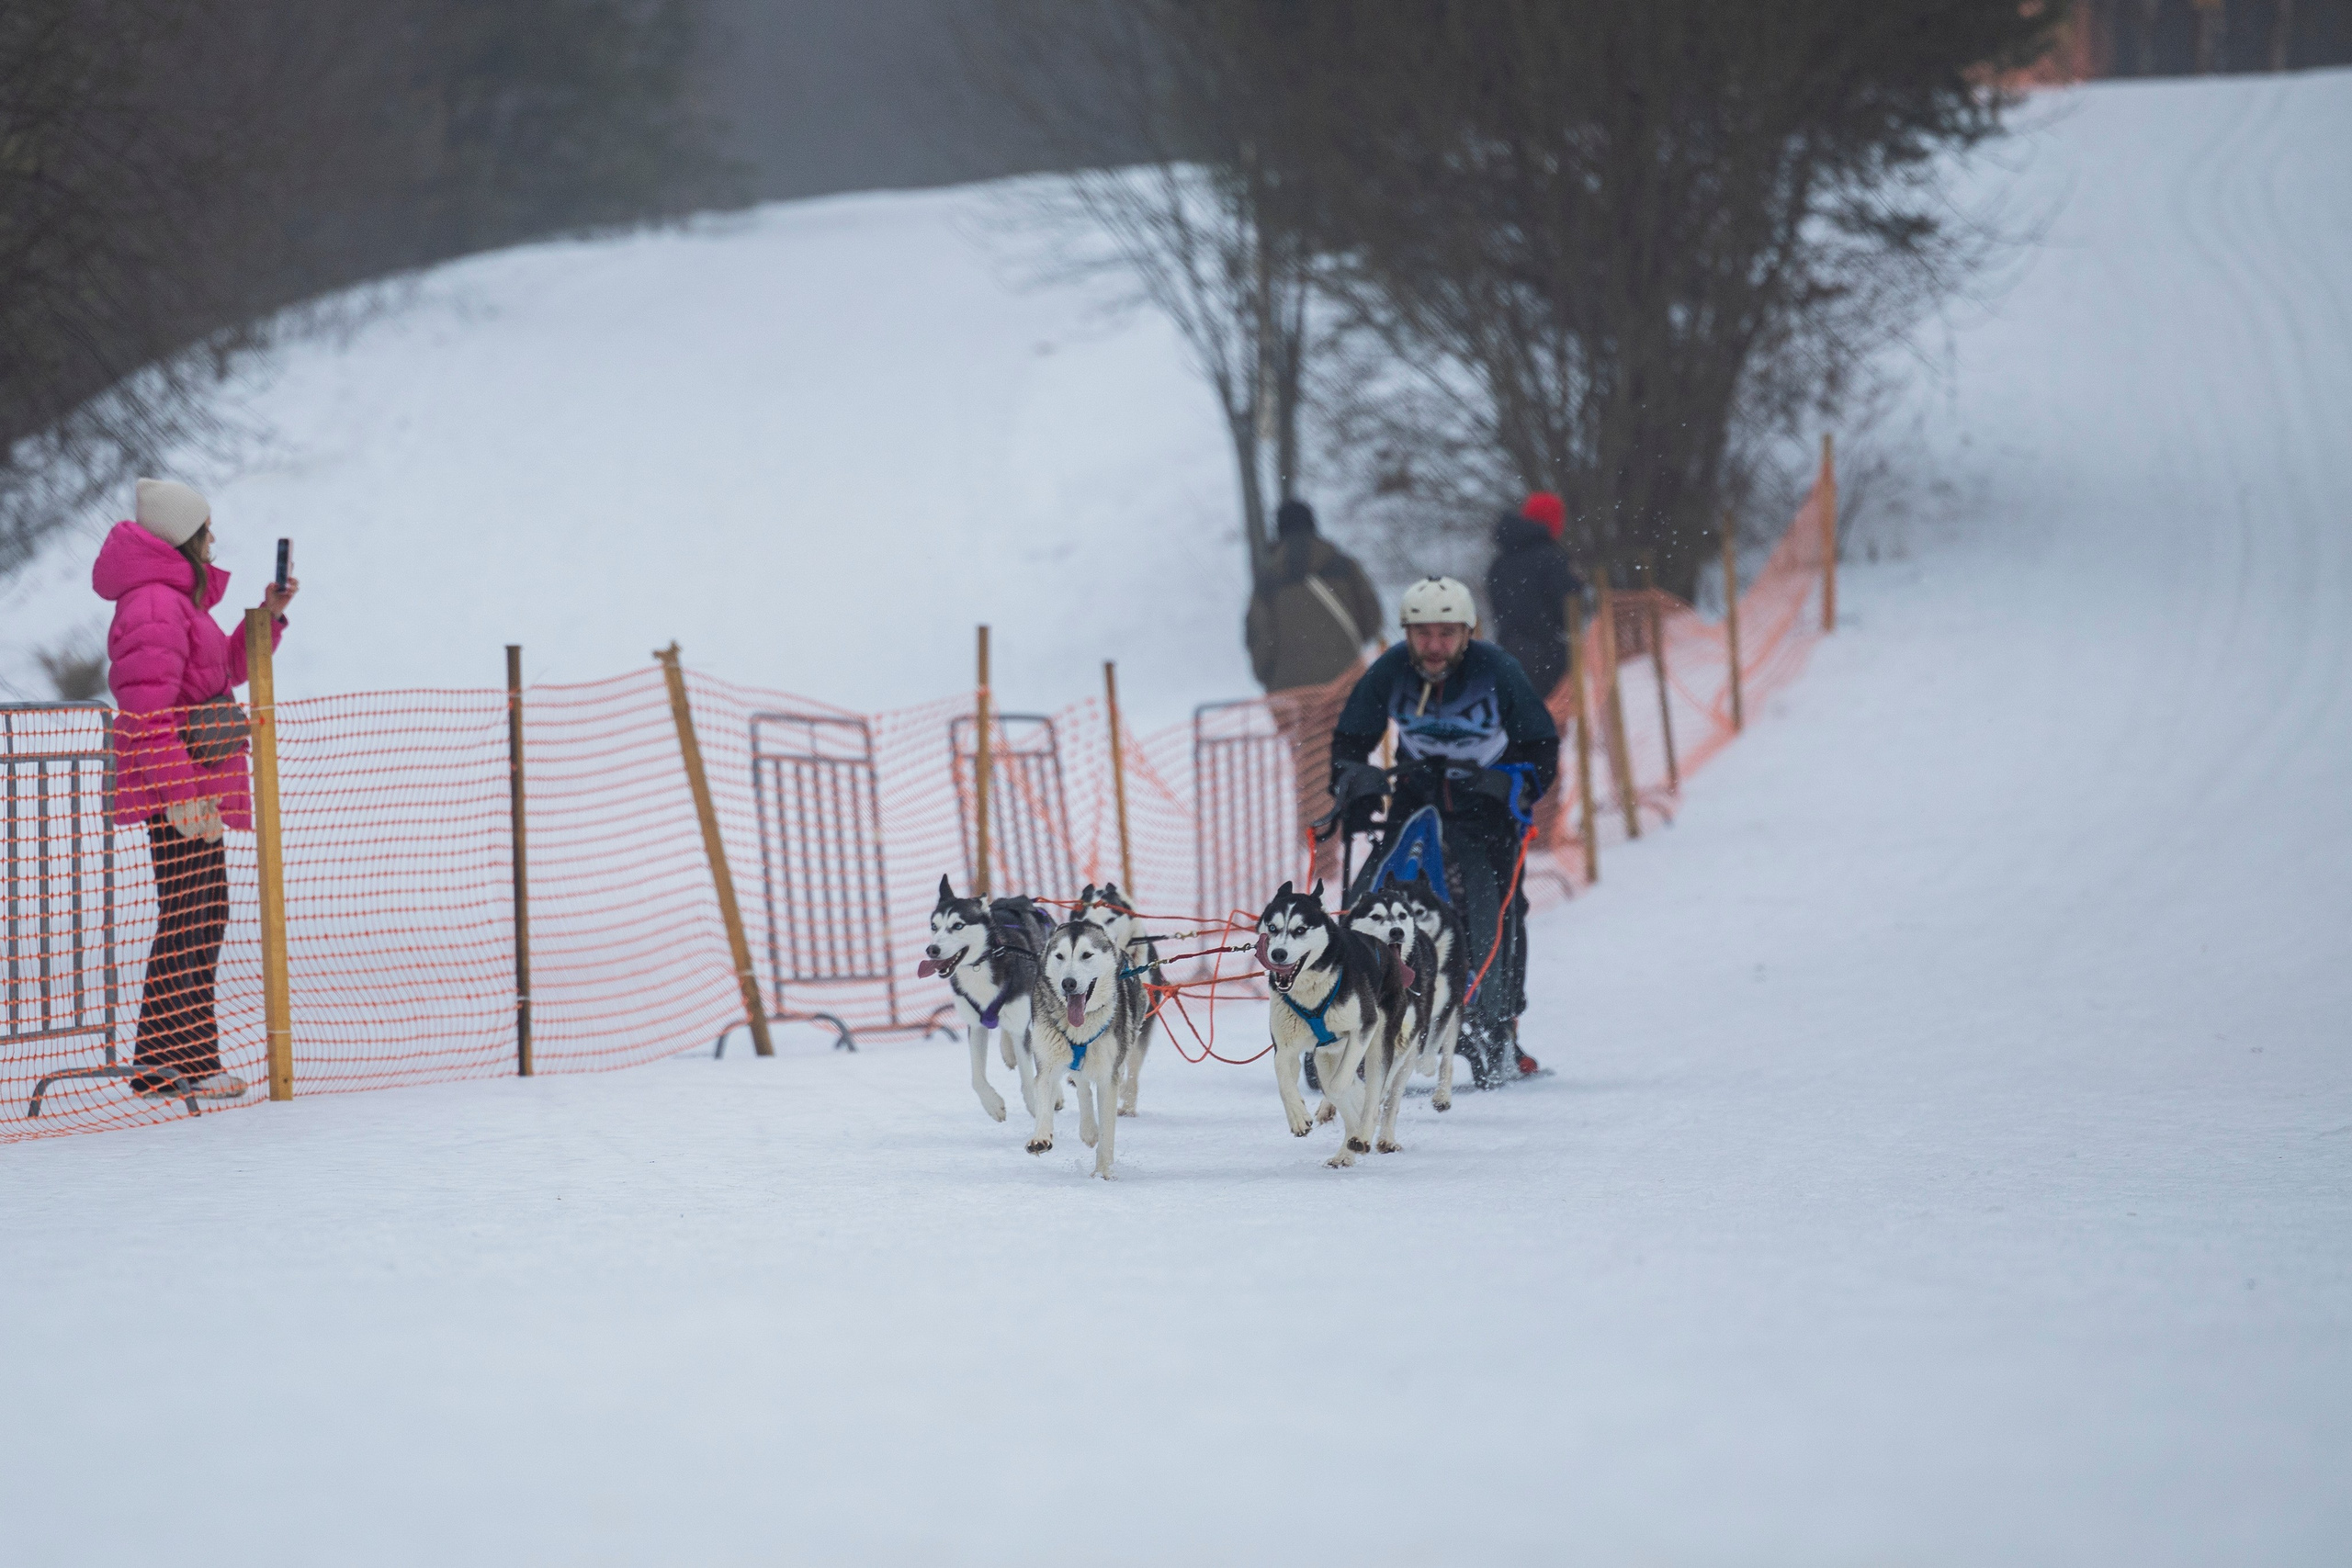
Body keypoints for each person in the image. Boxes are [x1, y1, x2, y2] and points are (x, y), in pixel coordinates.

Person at [94, 479, 298, 1100]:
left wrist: (268, 617)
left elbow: (224, 671)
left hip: (193, 786)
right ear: (184, 538)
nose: (215, 540)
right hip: (178, 790)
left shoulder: (179, 602)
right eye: (207, 530)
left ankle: (164, 1063)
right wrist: (183, 794)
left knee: (198, 915)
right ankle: (185, 1062)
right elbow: (146, 714)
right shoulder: (154, 605)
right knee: (193, 917)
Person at [1326, 576, 1558, 1082]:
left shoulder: (1498, 670)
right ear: (1406, 634)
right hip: (1416, 794)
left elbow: (1542, 745)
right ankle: (1347, 1016)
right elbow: (1350, 738)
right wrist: (1355, 780)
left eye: (1447, 634)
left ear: (1467, 632)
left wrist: (1514, 786)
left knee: (1493, 907)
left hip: (1484, 804)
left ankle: (1497, 1023)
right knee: (1374, 894)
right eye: (1423, 633)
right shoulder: (1390, 671)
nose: (1435, 646)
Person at [1245, 498, 1383, 880]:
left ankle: (1323, 861)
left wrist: (1273, 677)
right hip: (1345, 684)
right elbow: (1371, 618)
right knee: (1347, 761)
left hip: (1293, 694)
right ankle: (1361, 840)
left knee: (1310, 773)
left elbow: (1259, 638)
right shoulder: (1341, 564)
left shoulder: (1269, 577)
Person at [1484, 491, 1585, 704]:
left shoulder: (1499, 563)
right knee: (1554, 722)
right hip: (1549, 656)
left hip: (1509, 654)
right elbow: (1568, 608)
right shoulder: (1551, 558)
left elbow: (1498, 607)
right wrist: (1577, 584)